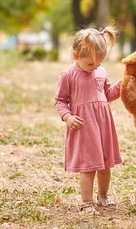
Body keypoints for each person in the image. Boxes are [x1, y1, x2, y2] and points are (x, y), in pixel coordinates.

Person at [54, 27, 122, 213]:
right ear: (76, 55)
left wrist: (123, 84)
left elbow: (107, 94)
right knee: (89, 165)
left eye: (100, 62)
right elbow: (60, 101)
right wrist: (67, 117)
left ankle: (103, 195)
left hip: (103, 124)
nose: (96, 67)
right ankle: (86, 202)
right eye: (91, 64)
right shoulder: (68, 75)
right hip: (84, 126)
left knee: (105, 164)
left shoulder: (100, 71)